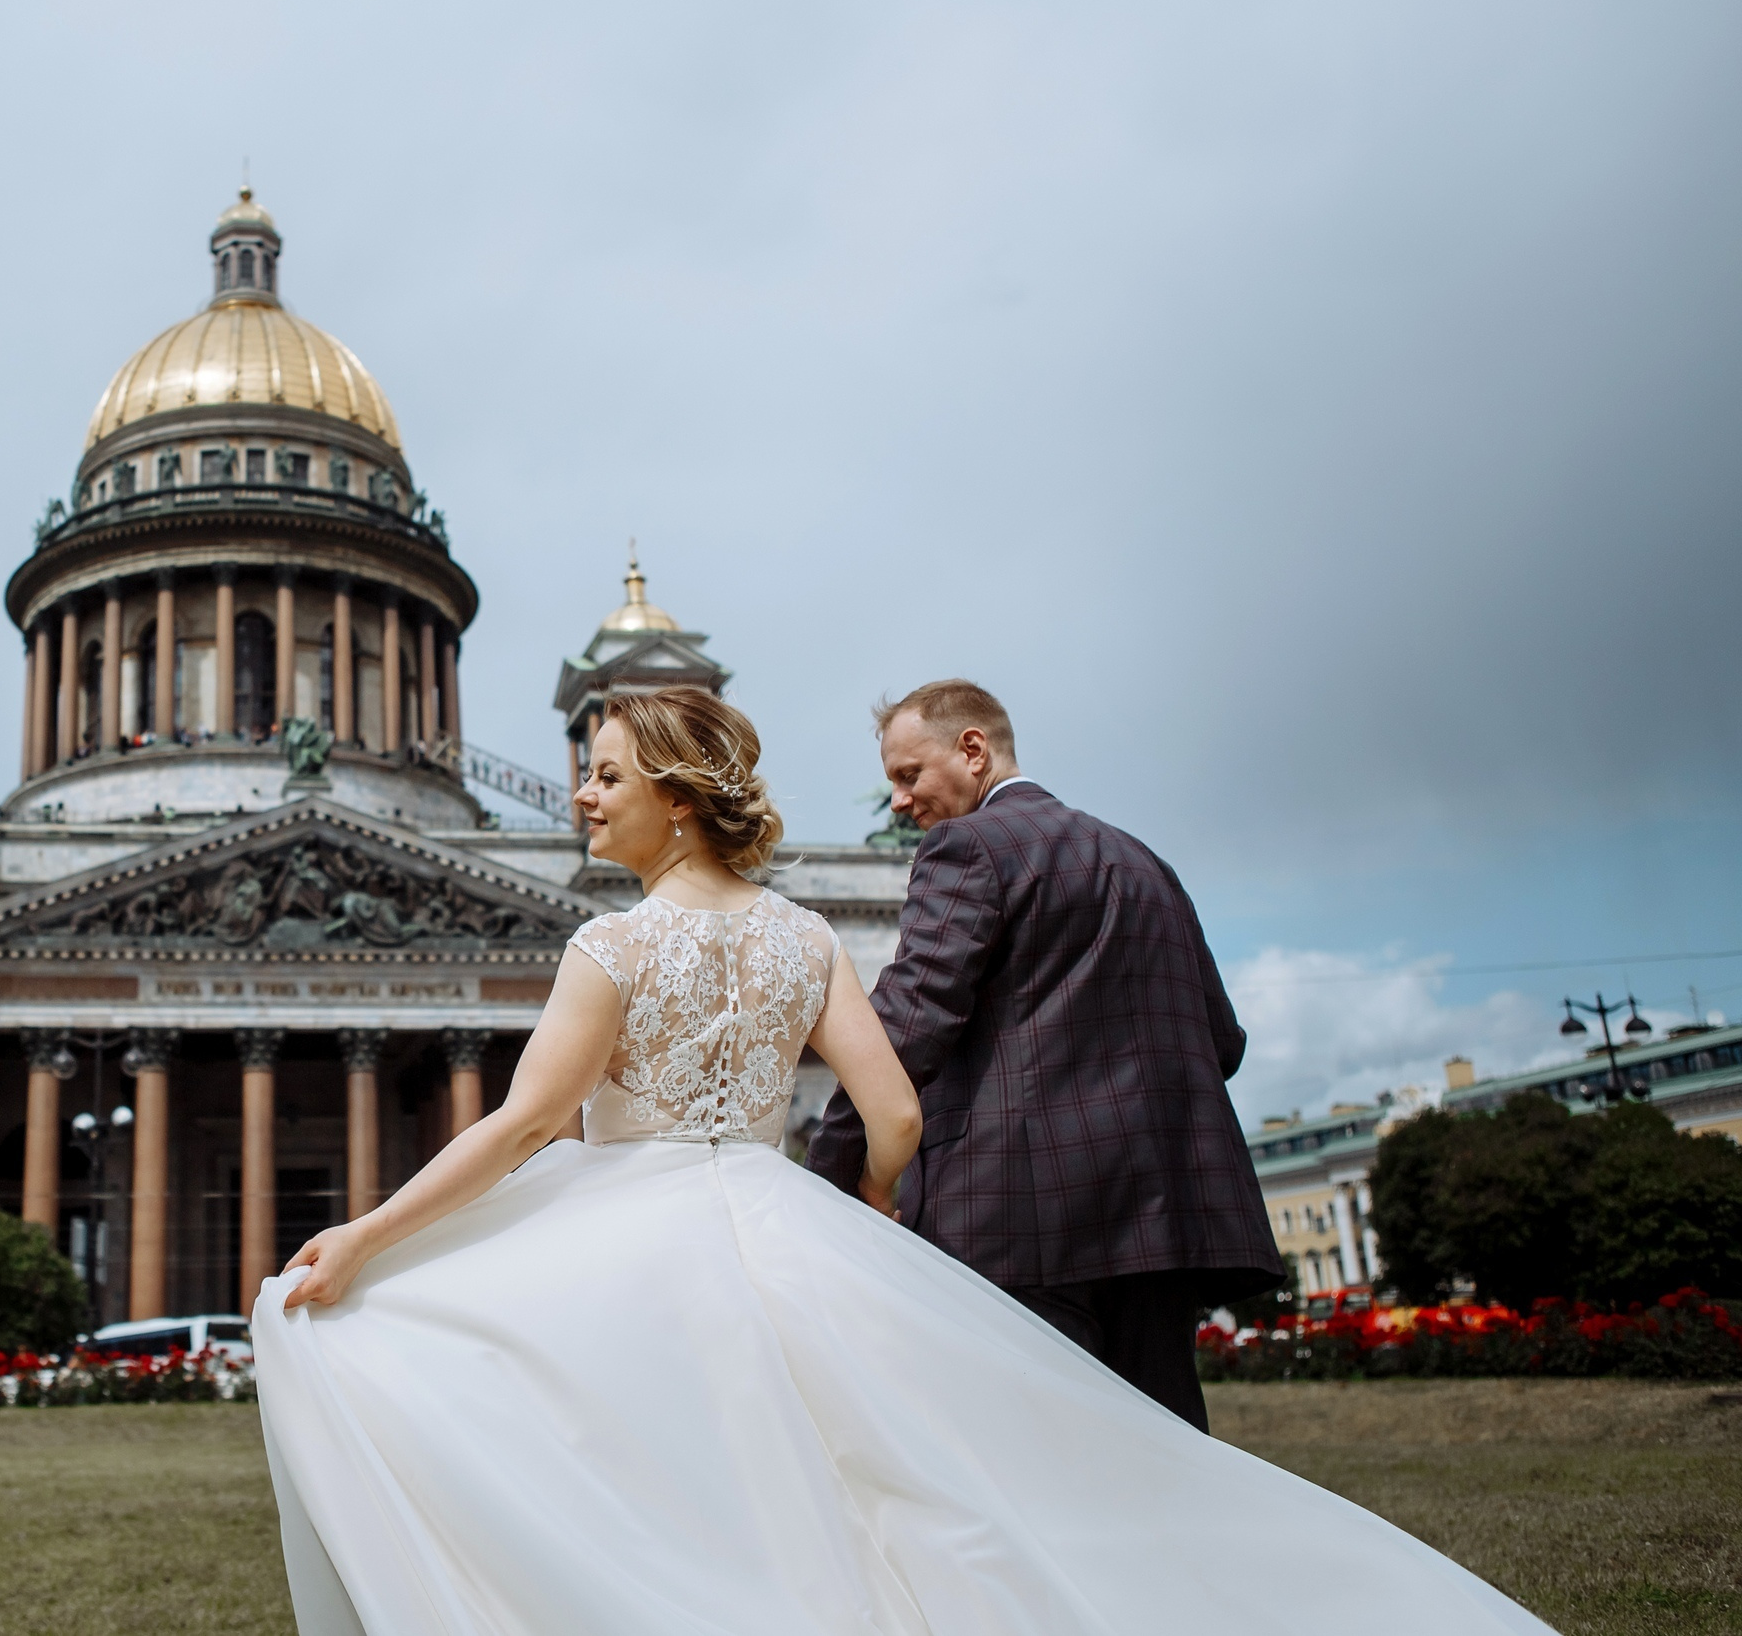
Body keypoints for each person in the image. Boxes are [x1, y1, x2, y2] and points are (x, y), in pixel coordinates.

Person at [253, 685, 1547, 1636]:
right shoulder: (808, 932)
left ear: (676, 794)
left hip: (625, 1223)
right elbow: (898, 1111)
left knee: (645, 1462)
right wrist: (852, 1219)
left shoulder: (612, 947)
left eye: (603, 774)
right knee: (910, 1472)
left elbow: (529, 1122)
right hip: (779, 1211)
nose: (585, 795)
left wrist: (366, 1234)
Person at [805, 679, 1281, 1430]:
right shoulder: (1144, 860)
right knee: (1166, 1466)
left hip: (1021, 1218)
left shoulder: (966, 847)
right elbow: (1223, 1040)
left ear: (973, 749)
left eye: (907, 774)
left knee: (1040, 1469)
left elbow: (906, 1025)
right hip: (1164, 1222)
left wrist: (824, 1177)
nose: (899, 801)